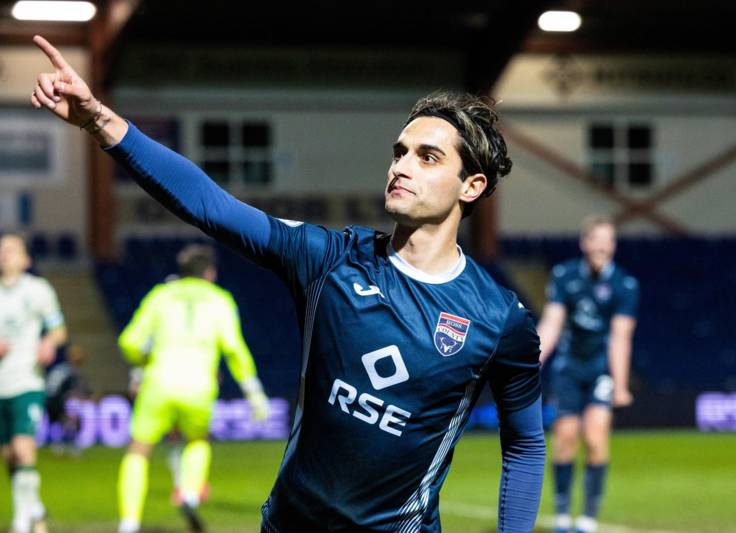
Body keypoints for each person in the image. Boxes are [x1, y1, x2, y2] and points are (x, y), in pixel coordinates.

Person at [31, 34, 545, 533]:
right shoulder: (330, 260)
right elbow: (213, 207)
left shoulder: (499, 319)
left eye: (427, 157)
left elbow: (524, 443)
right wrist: (98, 119)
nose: (400, 167)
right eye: (400, 152)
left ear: (471, 186)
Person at [114, 243, 271, 533]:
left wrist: (144, 361)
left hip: (159, 381)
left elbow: (129, 342)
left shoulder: (161, 295)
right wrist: (254, 393)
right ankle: (188, 492)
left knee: (138, 450)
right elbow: (234, 350)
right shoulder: (220, 300)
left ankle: (129, 522)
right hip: (199, 385)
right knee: (197, 441)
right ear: (209, 273)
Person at [536, 215, 639, 533]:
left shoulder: (624, 285)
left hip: (600, 371)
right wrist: (531, 363)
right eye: (597, 240)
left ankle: (588, 517)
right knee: (565, 439)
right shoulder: (564, 275)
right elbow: (551, 324)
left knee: (595, 438)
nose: (602, 247)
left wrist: (620, 385)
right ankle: (562, 515)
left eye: (609, 241)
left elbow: (621, 338)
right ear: (585, 243)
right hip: (568, 368)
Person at [0, 233, 68, 533]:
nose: (4, 253)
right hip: (1, 384)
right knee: (10, 456)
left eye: (11, 249)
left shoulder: (38, 290)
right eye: (1, 248)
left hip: (27, 380)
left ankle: (21, 523)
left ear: (26, 259)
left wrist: (48, 343)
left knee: (23, 449)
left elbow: (59, 330)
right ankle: (35, 508)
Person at [44, 344, 90, 456]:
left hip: (51, 399)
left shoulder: (61, 368)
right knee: (72, 421)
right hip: (57, 400)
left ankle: (59, 446)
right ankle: (71, 446)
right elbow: (68, 391)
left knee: (59, 423)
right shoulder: (68, 371)